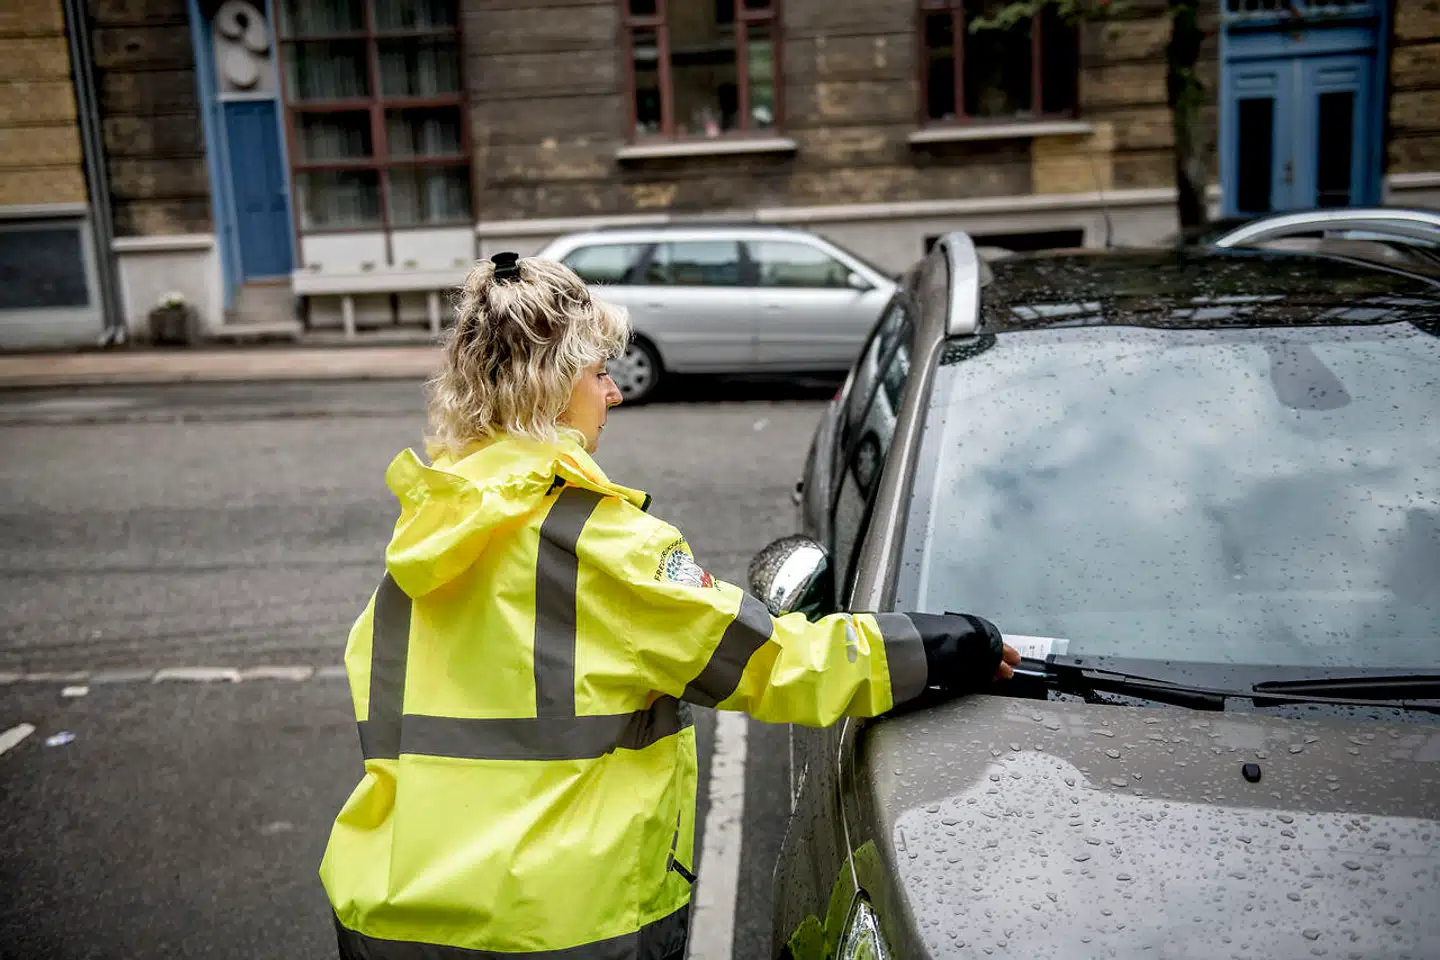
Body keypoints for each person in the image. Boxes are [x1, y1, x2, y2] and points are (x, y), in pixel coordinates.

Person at [319, 252, 1020, 959]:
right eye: (599, 373)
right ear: (553, 386)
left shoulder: (426, 533)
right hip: (562, 928)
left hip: (388, 917)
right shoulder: (600, 545)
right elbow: (773, 665)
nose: (613, 394)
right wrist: (941, 646)